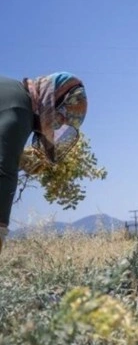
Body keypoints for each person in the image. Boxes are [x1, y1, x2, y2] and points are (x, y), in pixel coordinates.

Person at [0, 72, 88, 253]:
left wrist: (17, 155)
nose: (54, 127)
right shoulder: (20, 108)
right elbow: (3, 173)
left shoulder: (14, 95)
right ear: (52, 100)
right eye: (58, 120)